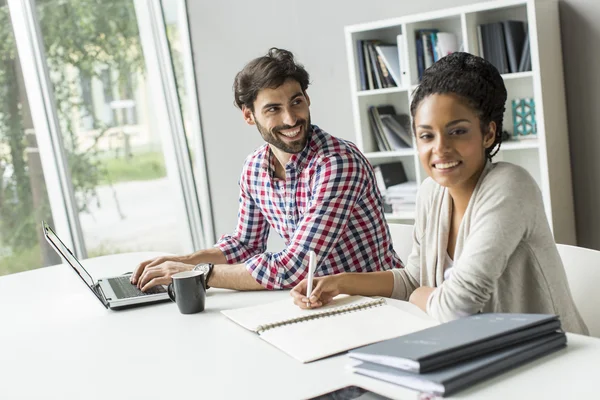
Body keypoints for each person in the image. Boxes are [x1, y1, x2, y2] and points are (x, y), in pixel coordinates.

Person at [291, 52, 588, 335]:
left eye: (457, 131)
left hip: (550, 361)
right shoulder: (431, 193)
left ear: (488, 133)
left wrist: (422, 296)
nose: (440, 148)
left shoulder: (510, 186)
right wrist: (340, 283)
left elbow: (456, 307)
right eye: (426, 135)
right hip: (477, 353)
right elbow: (412, 281)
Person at [131, 48, 403, 292]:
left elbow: (294, 267)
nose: (291, 119)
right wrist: (183, 261)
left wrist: (198, 273)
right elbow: (246, 245)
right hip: (314, 300)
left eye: (296, 102)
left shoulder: (338, 163)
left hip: (373, 300)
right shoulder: (255, 169)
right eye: (273, 109)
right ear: (249, 115)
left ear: (307, 99)